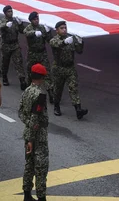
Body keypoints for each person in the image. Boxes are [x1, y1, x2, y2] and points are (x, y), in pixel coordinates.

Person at [19, 64, 49, 201]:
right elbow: (35, 117)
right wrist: (32, 138)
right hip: (38, 135)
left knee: (29, 164)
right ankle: (41, 197)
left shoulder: (27, 91)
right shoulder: (40, 95)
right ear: (42, 77)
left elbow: (20, 112)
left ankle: (26, 194)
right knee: (41, 167)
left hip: (28, 133)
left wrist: (28, 128)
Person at [50, 21, 87, 119]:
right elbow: (57, 44)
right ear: (57, 30)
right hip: (59, 68)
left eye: (65, 28)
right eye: (61, 28)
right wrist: (65, 42)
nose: (64, 30)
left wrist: (80, 42)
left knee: (73, 88)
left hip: (70, 68)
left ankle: (78, 109)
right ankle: (56, 106)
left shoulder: (70, 39)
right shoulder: (54, 40)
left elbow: (79, 51)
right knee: (58, 89)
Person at [24, 12, 52, 94]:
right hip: (32, 54)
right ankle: (29, 89)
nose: (36, 21)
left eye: (37, 19)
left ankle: (50, 91)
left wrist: (48, 32)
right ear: (31, 20)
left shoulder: (42, 28)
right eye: (34, 19)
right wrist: (34, 33)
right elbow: (26, 33)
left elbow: (49, 40)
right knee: (31, 72)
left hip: (42, 53)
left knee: (47, 72)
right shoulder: (28, 28)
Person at [0, 6, 26, 88]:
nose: (10, 13)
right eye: (8, 11)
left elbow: (22, 31)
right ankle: (4, 77)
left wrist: (21, 24)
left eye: (11, 11)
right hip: (6, 45)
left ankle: (22, 80)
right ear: (5, 13)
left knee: (18, 62)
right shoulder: (3, 21)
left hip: (15, 45)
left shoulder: (15, 21)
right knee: (5, 62)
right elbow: (1, 26)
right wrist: (6, 25)